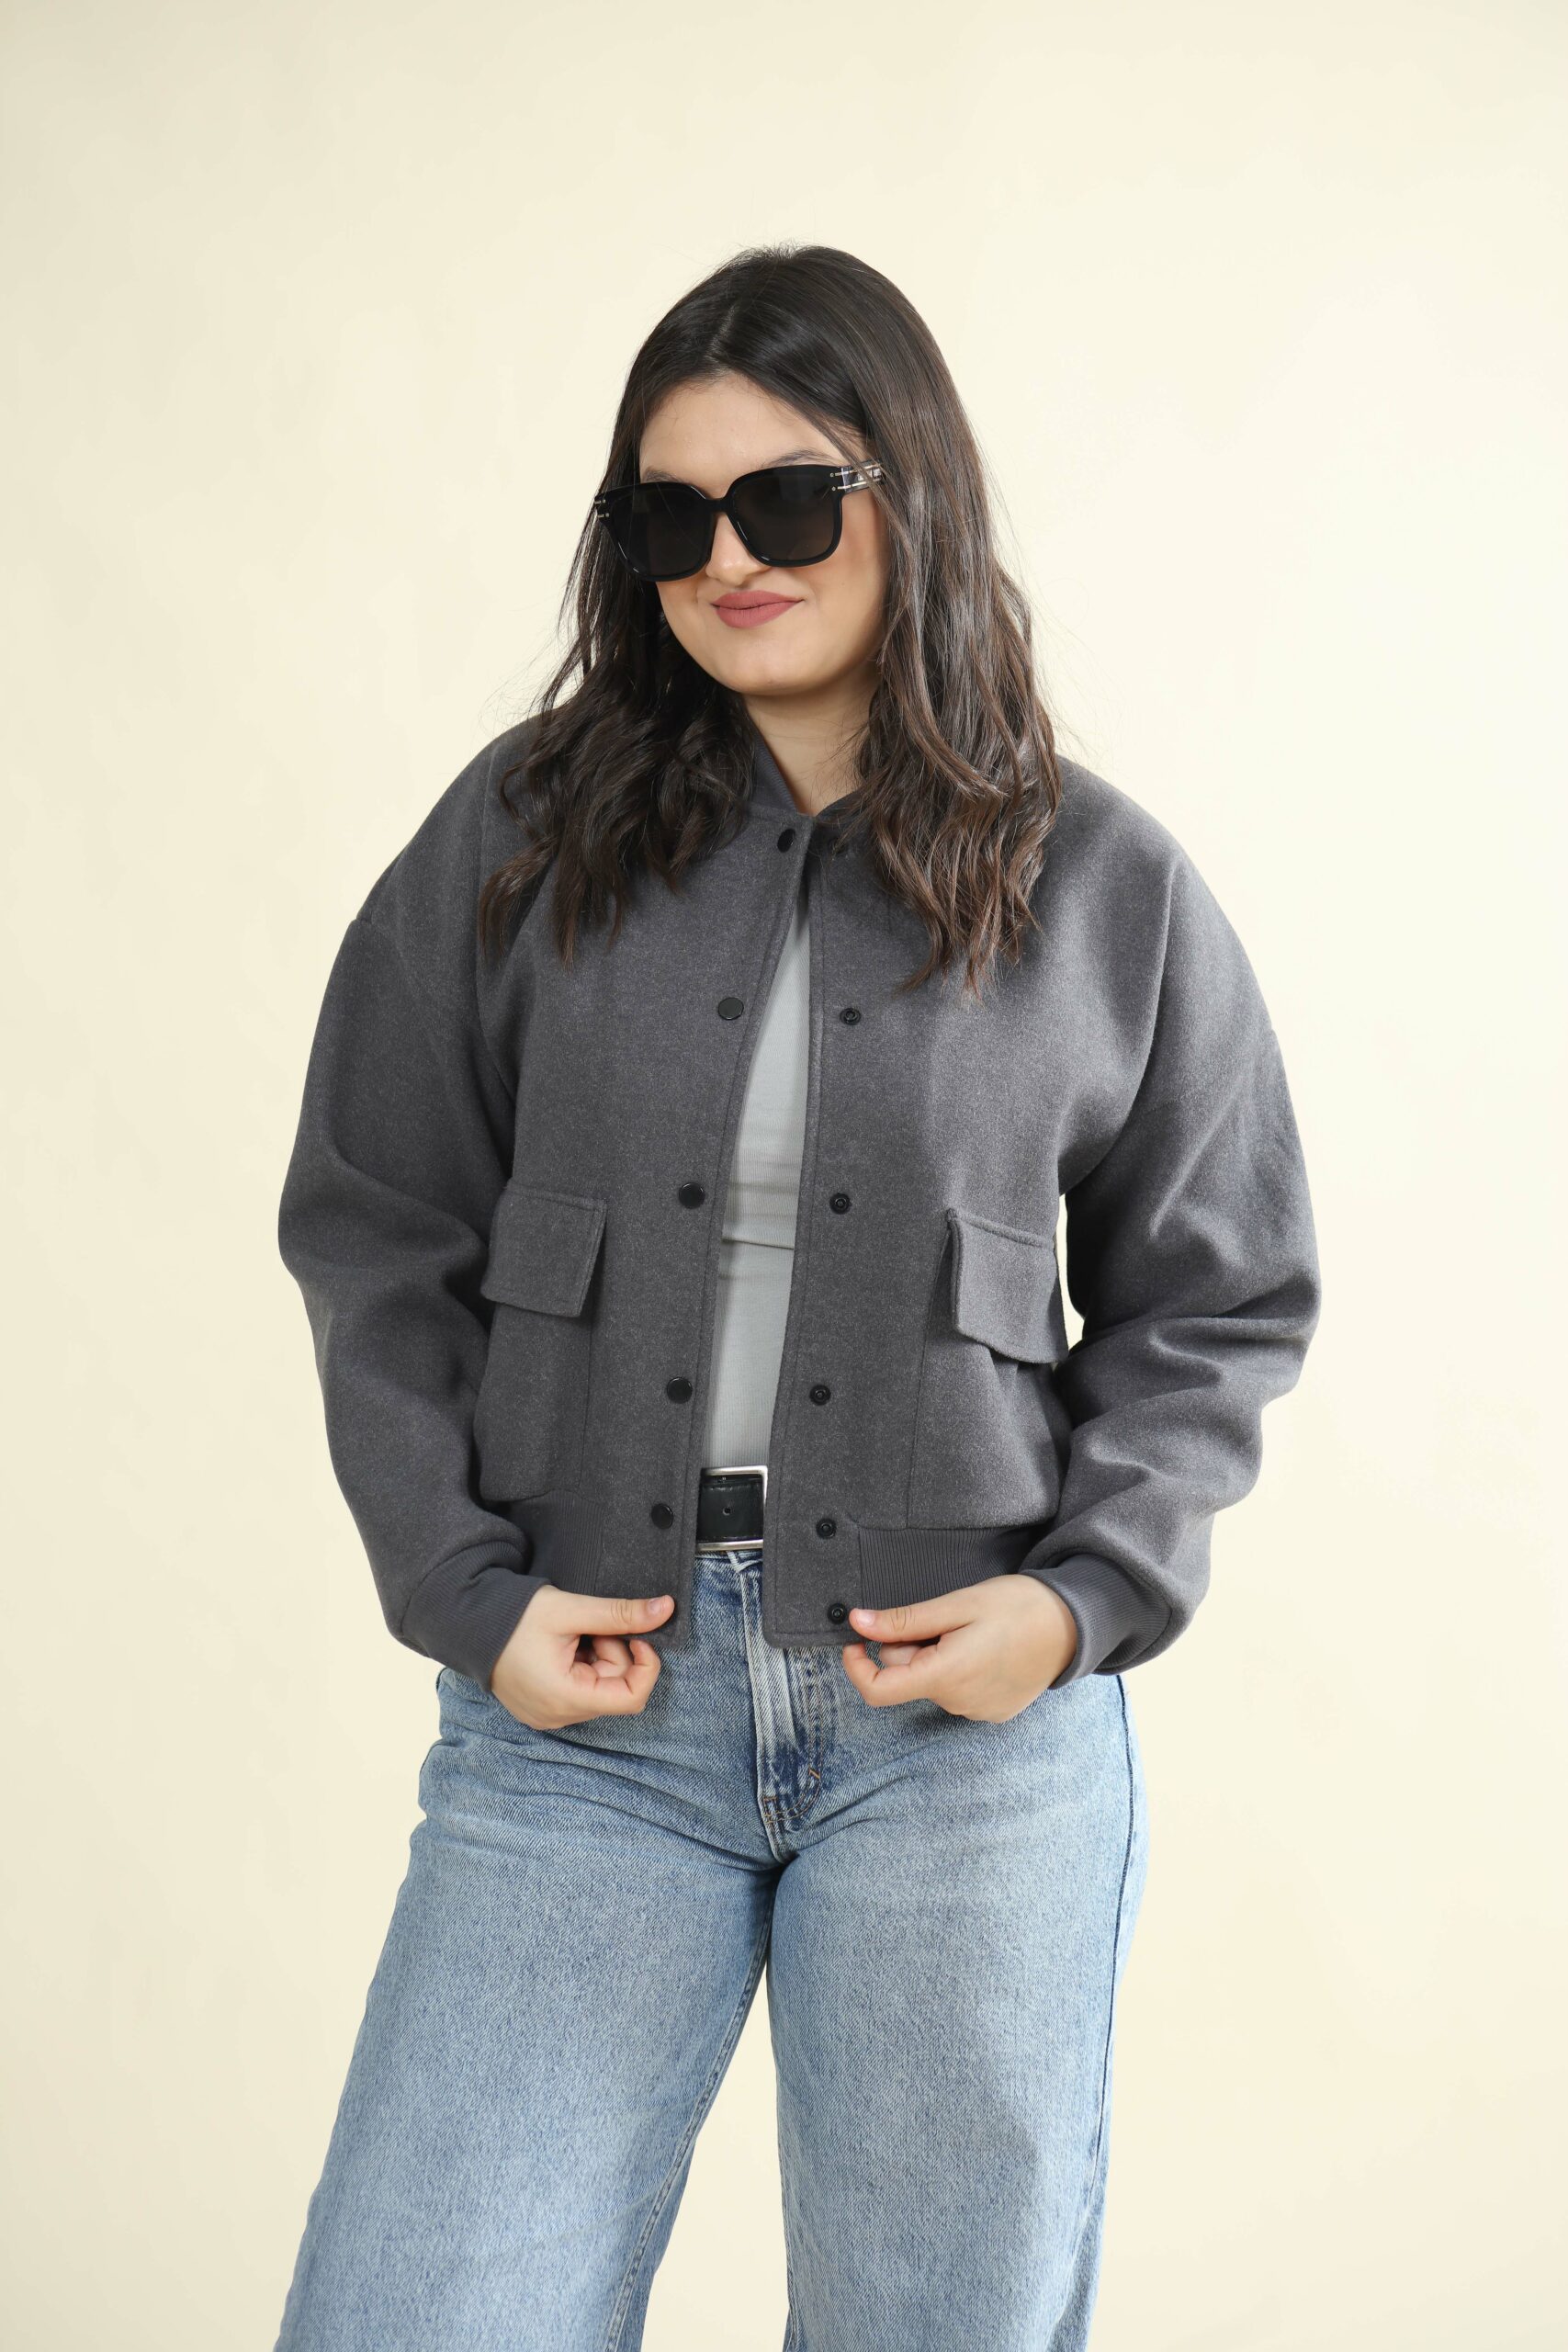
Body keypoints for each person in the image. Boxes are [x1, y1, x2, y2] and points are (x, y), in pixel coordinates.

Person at [271, 242, 1321, 2352]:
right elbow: (374, 1220)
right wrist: (463, 1588)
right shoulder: (519, 837)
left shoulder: (1095, 881)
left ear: (905, 494)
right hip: (587, 1721)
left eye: (781, 500)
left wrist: (1079, 1598)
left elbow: (1218, 1293)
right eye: (669, 518)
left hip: (964, 1736)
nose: (727, 560)